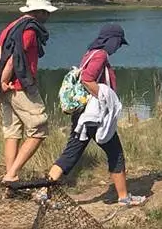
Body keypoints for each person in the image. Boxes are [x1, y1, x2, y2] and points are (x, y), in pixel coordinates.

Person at [45, 24, 146, 206]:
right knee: (116, 154)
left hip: (82, 116)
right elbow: (87, 79)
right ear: (111, 41)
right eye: (118, 43)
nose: (118, 47)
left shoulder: (90, 53)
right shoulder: (100, 55)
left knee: (71, 154)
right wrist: (104, 97)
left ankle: (45, 192)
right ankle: (124, 198)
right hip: (94, 118)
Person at [0, 0, 57, 184]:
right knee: (39, 128)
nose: (48, 16)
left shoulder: (11, 27)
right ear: (40, 12)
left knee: (12, 132)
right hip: (21, 88)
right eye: (47, 12)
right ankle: (11, 174)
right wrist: (2, 84)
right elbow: (12, 61)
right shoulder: (29, 31)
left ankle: (10, 177)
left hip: (8, 87)